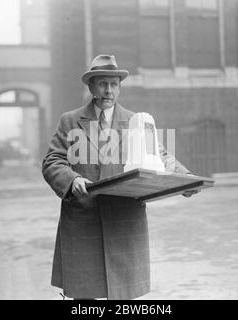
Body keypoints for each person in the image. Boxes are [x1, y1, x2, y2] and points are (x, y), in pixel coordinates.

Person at [42, 54, 199, 300]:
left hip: (124, 218)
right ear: (91, 86)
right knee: (85, 297)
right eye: (103, 84)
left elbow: (159, 153)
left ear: (119, 88)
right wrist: (72, 180)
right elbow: (53, 161)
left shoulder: (136, 121)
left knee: (123, 295)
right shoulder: (70, 121)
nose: (108, 90)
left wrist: (186, 177)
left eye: (114, 84)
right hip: (84, 220)